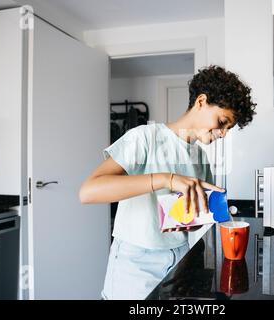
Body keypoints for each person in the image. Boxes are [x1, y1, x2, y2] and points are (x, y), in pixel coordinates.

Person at [79, 65, 256, 300]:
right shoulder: (144, 138)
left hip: (179, 265)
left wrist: (189, 222)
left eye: (228, 128)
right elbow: (88, 191)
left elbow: (192, 217)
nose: (223, 133)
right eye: (222, 121)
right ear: (201, 101)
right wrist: (166, 179)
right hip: (136, 268)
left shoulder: (200, 157)